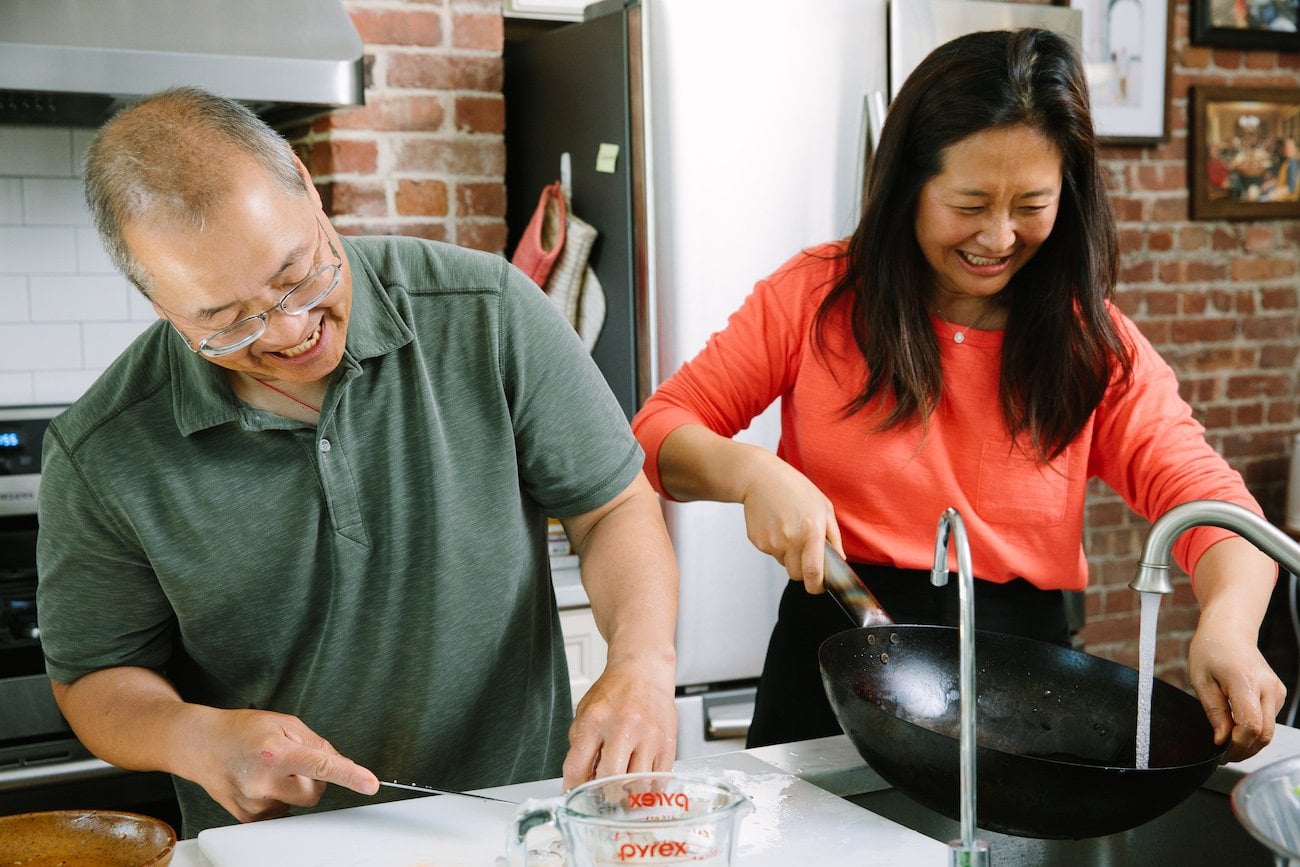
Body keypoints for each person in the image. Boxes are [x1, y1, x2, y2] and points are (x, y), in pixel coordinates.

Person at [36, 86, 679, 837]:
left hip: (518, 827)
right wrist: (193, 736)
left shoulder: (488, 312)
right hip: (276, 850)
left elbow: (612, 507)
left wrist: (641, 664)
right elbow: (95, 677)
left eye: (298, 274)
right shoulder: (100, 451)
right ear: (159, 302)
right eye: (227, 320)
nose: (290, 329)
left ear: (308, 190)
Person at [631, 29, 1285, 762]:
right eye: (970, 203)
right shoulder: (816, 297)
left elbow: (1216, 509)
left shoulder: (1092, 342)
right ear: (909, 184)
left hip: (1023, 693)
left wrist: (1228, 625)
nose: (999, 236)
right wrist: (752, 473)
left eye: (1030, 205)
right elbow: (657, 433)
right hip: (834, 660)